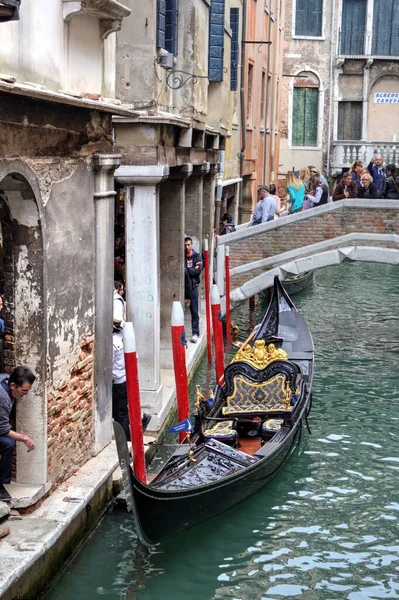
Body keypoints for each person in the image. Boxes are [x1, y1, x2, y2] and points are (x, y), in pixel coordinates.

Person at [0, 366, 36, 501]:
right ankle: (0, 486)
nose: (25, 395)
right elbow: (2, 429)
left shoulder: (5, 378)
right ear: (13, 385)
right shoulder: (2, 399)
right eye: (24, 391)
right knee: (8, 444)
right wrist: (25, 438)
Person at [112, 317, 151, 441]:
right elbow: (136, 358)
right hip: (126, 378)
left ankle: (126, 442)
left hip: (118, 382)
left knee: (120, 414)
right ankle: (142, 417)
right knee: (121, 410)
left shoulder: (112, 342)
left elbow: (109, 365)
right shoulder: (125, 337)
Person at [184, 236, 203, 343]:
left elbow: (198, 271)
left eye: (189, 244)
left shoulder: (197, 256)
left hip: (193, 288)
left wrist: (186, 270)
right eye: (185, 245)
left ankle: (195, 333)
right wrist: (192, 270)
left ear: (192, 245)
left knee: (194, 312)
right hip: (183, 288)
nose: (187, 247)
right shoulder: (182, 256)